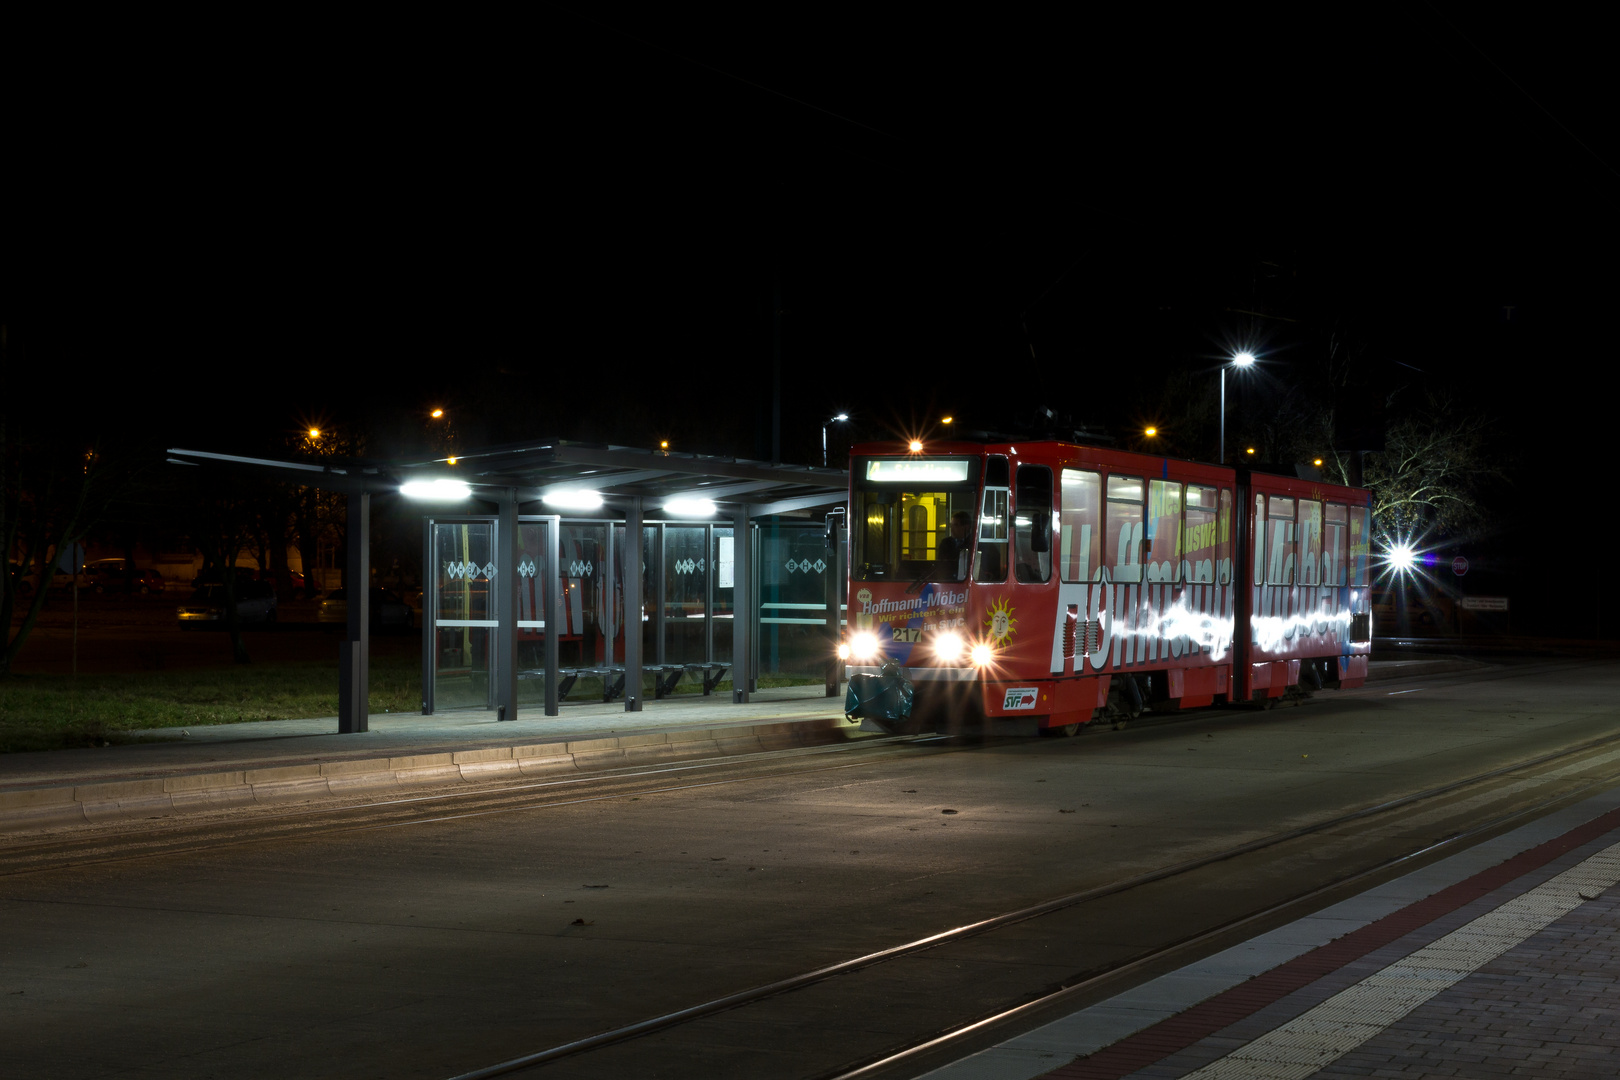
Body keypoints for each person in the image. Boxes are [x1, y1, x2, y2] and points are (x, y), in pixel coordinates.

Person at [938, 511, 972, 581]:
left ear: (966, 527)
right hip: (948, 582)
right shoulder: (945, 543)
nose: (952, 529)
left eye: (956, 525)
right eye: (951, 525)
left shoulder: (974, 544)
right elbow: (940, 565)